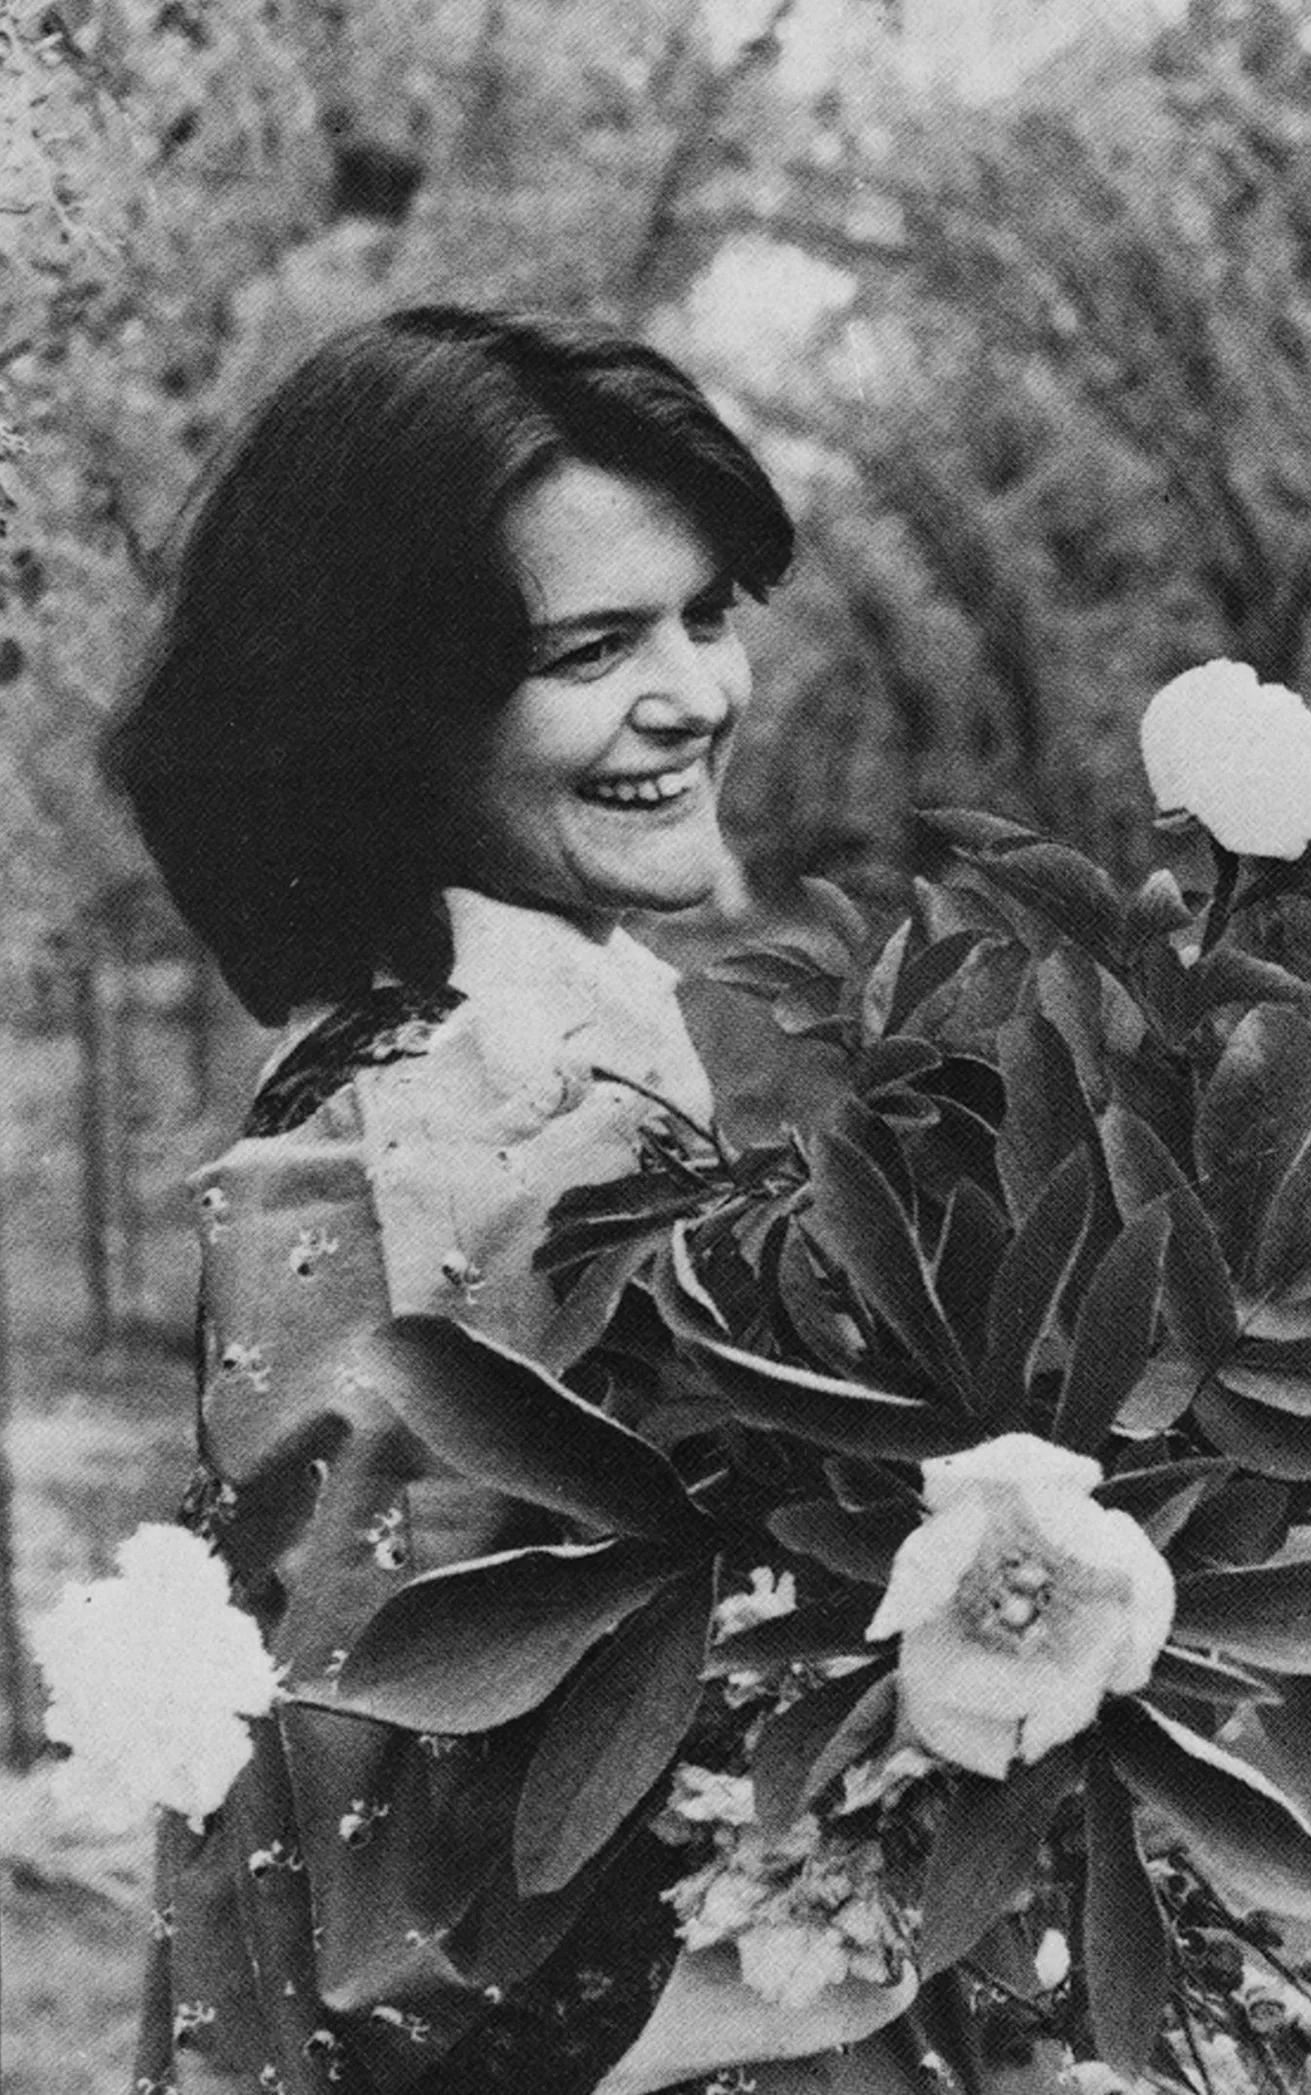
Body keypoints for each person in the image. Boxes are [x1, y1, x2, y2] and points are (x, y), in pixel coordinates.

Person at [101, 306, 807, 2095]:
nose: (694, 697)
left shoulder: (560, 1041)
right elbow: (376, 1893)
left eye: (706, 615)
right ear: (388, 716)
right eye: (591, 648)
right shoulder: (423, 1127)